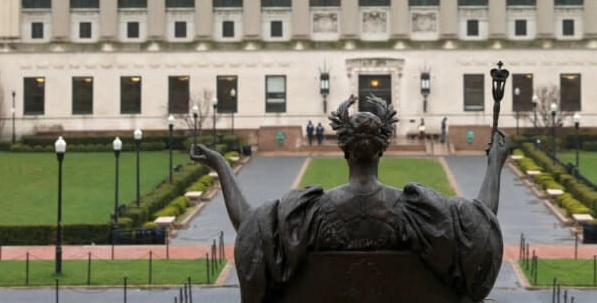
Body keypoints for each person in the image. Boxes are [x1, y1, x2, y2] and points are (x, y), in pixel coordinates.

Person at [191, 93, 507, 303]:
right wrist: (495, 164)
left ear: (343, 149)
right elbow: (480, 233)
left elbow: (250, 231)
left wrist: (221, 166)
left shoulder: (307, 214)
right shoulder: (418, 213)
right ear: (384, 147)